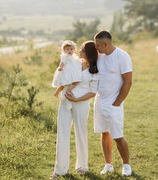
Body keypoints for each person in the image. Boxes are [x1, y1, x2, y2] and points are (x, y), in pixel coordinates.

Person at [50, 41, 99, 179]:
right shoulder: (73, 61)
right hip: (65, 102)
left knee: (81, 134)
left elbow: (93, 93)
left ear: (88, 52)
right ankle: (60, 170)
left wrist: (77, 99)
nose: (79, 52)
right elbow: (63, 77)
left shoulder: (94, 70)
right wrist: (59, 89)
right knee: (62, 133)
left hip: (81, 104)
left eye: (82, 50)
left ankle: (82, 166)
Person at [94, 30, 132, 176]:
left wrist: (117, 103)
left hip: (114, 103)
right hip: (100, 101)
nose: (97, 48)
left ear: (105, 44)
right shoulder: (100, 56)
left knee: (117, 136)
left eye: (98, 45)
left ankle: (126, 165)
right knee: (104, 133)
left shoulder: (122, 56)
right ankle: (108, 164)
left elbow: (128, 82)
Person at [52, 40, 82, 109]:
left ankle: (57, 92)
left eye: (71, 49)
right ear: (64, 50)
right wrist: (60, 67)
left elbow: (77, 61)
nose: (69, 51)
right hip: (67, 72)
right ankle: (67, 92)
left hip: (72, 72)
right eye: (67, 49)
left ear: (74, 50)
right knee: (67, 83)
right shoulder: (65, 57)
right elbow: (62, 63)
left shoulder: (74, 56)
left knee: (67, 83)